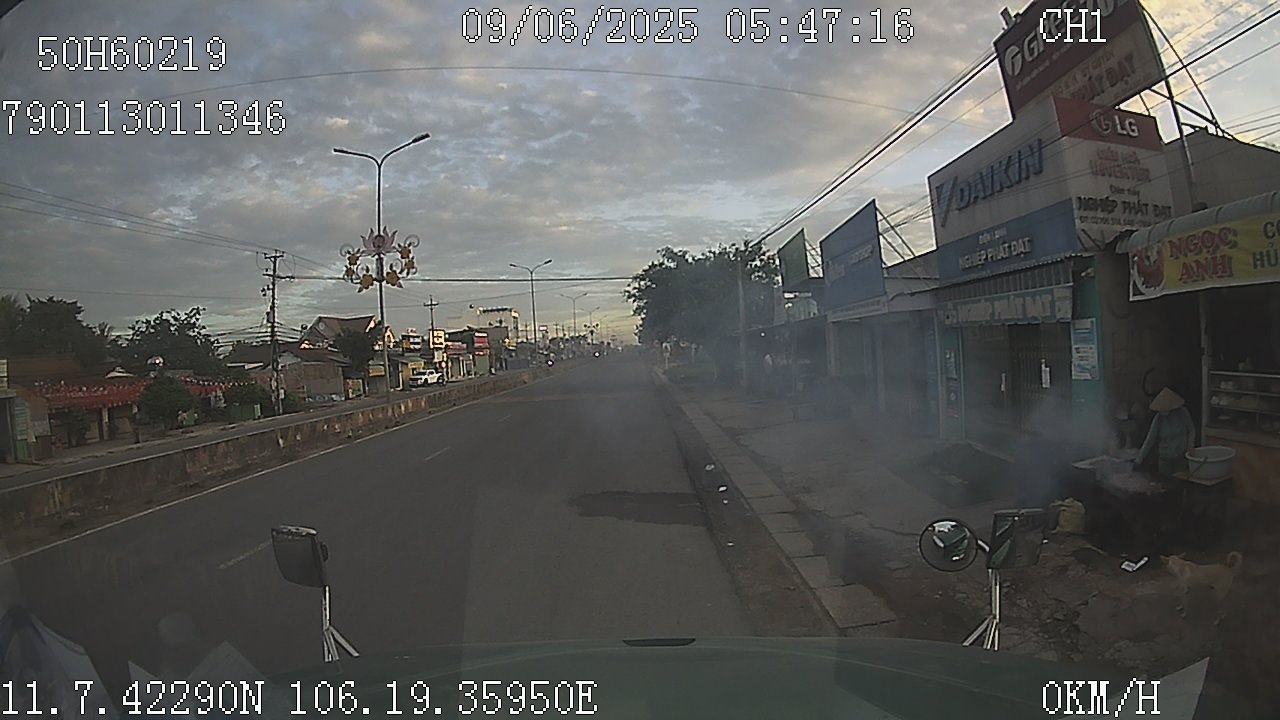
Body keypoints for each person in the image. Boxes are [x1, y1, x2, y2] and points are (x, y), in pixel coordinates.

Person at [1134, 387, 1197, 475]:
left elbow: (1191, 429)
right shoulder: (1159, 418)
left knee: (1179, 480)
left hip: (1180, 457)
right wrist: (1139, 459)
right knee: (1164, 481)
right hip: (1164, 458)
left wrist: (1190, 445)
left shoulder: (1183, 413)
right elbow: (1150, 439)